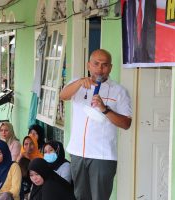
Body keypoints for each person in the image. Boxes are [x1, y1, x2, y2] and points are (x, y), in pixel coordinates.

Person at [59, 49, 132, 200]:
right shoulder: (77, 84)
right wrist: (79, 82)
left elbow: (126, 123)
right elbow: (63, 96)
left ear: (110, 68)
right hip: (78, 152)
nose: (100, 69)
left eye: (105, 65)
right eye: (96, 64)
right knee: (80, 196)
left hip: (102, 155)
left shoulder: (119, 91)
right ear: (88, 65)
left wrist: (105, 109)